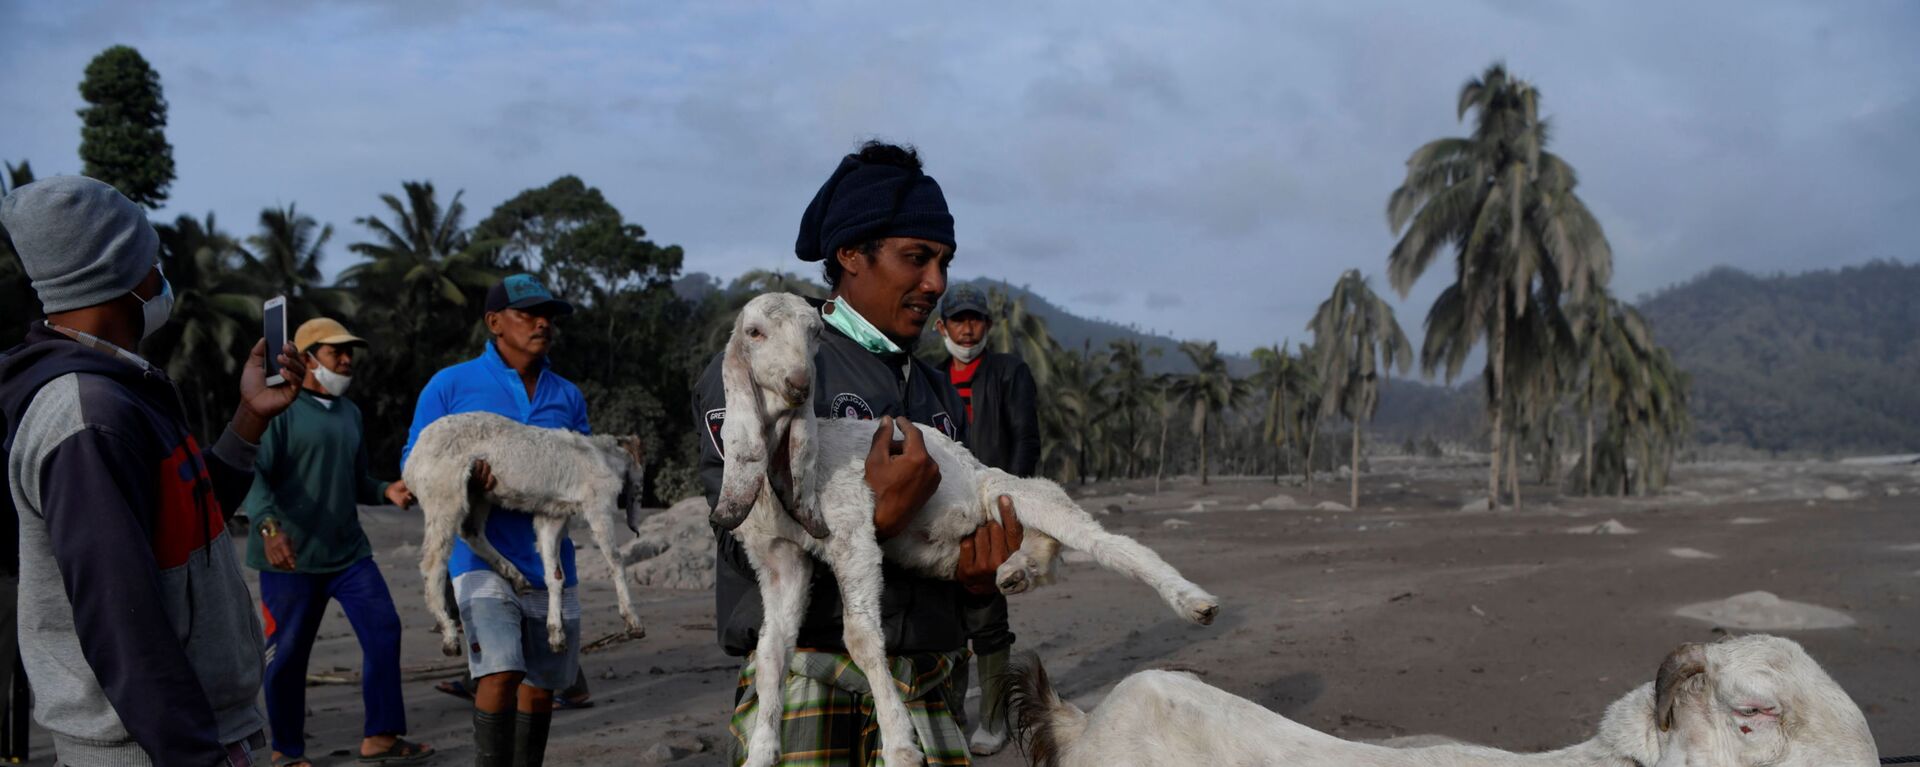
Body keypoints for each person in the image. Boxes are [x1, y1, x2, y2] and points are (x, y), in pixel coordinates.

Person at [695, 141, 1024, 766]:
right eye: (916, 258)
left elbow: (944, 547)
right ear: (850, 254)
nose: (937, 283)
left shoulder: (928, 388)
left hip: (930, 680)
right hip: (810, 678)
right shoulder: (767, 362)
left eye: (944, 262)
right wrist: (873, 520)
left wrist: (974, 576)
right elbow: (734, 539)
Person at [0, 175, 306, 765]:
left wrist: (248, 416)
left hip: (186, 731)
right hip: (150, 747)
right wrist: (196, 757)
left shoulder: (122, 390)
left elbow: (184, 519)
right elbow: (121, 619)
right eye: (155, 259)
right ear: (131, 274)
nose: (162, 275)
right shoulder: (86, 414)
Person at [403, 273, 588, 767]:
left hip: (551, 561)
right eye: (528, 314)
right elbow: (415, 459)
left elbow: (585, 464)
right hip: (479, 556)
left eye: (548, 315)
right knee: (500, 672)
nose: (542, 324)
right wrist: (464, 481)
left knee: (542, 686)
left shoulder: (567, 395)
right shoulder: (450, 386)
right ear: (494, 323)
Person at [245, 318, 433, 766]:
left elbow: (356, 480)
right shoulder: (279, 408)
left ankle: (382, 736)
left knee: (384, 630)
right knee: (287, 656)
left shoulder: (351, 414)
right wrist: (270, 529)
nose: (347, 360)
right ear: (308, 358)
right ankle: (286, 752)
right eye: (336, 352)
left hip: (348, 554)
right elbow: (254, 476)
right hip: (288, 560)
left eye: (350, 352)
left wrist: (385, 490)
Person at [933, 285, 1040, 755]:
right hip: (940, 512)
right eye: (958, 320)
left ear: (988, 327)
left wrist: (1012, 503)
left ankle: (993, 719)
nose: (967, 328)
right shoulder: (929, 377)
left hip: (994, 509)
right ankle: (952, 715)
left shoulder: (1009, 372)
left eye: (975, 319)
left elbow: (1026, 439)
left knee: (988, 614)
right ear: (942, 327)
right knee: (943, 616)